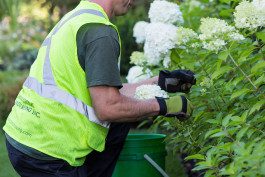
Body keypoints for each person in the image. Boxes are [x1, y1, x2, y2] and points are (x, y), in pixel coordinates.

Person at [3, 0, 196, 176]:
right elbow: (108, 107)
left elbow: (105, 92)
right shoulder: (100, 32)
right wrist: (164, 106)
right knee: (121, 115)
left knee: (120, 120)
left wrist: (157, 83)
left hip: (24, 135)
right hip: (48, 151)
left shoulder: (78, 17)